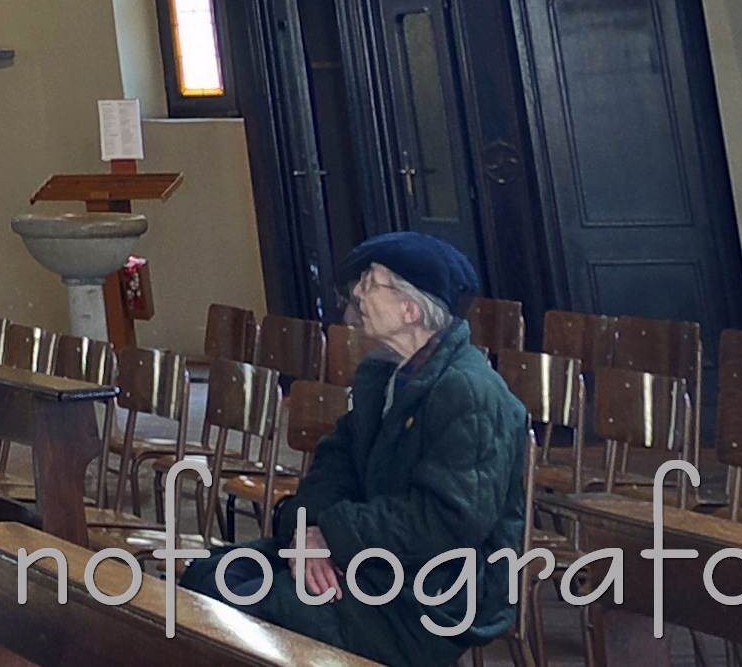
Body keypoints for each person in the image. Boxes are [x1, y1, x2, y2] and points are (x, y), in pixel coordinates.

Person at [212, 234, 528, 667]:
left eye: (371, 283)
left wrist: (332, 537)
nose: (358, 293)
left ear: (411, 309)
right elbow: (333, 467)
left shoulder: (469, 392)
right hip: (370, 561)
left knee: (255, 608)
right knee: (212, 577)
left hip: (434, 593)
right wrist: (305, 534)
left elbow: (445, 520)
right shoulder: (382, 375)